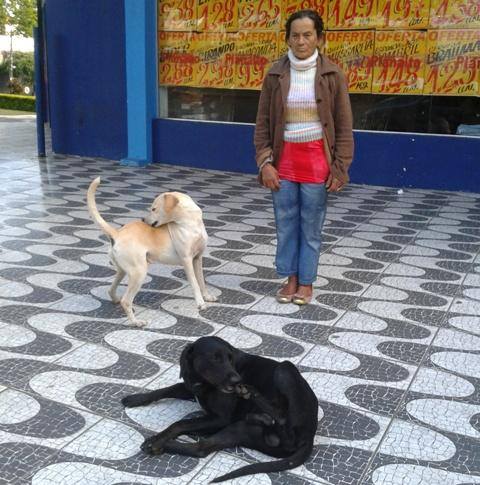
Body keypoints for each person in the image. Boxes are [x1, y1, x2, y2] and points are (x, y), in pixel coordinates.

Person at [254, 9, 354, 305]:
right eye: (295, 35)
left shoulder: (332, 75)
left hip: (316, 163)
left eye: (308, 35)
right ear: (287, 38)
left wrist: (340, 168)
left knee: (310, 226)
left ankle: (307, 281)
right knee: (285, 223)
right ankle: (291, 278)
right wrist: (264, 163)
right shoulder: (275, 74)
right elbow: (262, 124)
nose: (301, 41)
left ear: (319, 38)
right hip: (283, 162)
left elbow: (345, 126)